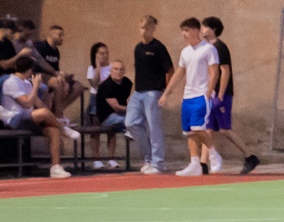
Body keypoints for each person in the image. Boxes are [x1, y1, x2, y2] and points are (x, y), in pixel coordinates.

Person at [0, 58, 78, 178]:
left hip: (30, 119)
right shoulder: (11, 82)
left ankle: (55, 167)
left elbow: (41, 106)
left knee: (53, 130)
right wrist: (35, 87)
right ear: (29, 70)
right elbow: (27, 104)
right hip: (15, 119)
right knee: (44, 114)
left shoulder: (27, 83)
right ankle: (63, 129)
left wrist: (46, 91)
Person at [200, 17, 259, 174]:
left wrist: (220, 94)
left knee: (224, 129)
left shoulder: (220, 47)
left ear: (213, 29)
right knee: (207, 128)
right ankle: (203, 164)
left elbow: (225, 71)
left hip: (221, 95)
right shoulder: (208, 48)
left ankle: (250, 156)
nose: (202, 29)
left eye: (205, 27)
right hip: (211, 94)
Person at [160, 17, 217, 178]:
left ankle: (213, 154)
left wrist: (209, 92)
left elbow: (214, 72)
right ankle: (194, 164)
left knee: (198, 128)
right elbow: (179, 73)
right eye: (182, 31)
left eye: (186, 30)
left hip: (202, 94)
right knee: (189, 132)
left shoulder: (208, 49)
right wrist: (166, 93)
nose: (183, 34)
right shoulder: (185, 52)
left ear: (195, 31)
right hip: (188, 96)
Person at [128, 16, 172, 174]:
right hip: (138, 92)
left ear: (153, 29)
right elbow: (138, 72)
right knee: (130, 123)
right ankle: (148, 158)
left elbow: (169, 70)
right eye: (141, 28)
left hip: (154, 92)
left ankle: (158, 162)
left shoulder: (158, 47)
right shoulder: (138, 48)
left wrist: (165, 92)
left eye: (146, 28)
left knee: (154, 127)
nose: (143, 31)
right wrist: (132, 92)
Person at [89, 58, 131, 168]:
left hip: (121, 114)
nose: (118, 72)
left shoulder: (127, 82)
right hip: (106, 117)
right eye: (116, 69)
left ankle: (111, 159)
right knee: (131, 121)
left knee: (137, 121)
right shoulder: (106, 85)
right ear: (111, 71)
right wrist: (132, 110)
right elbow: (116, 107)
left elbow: (132, 97)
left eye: (121, 69)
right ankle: (96, 160)